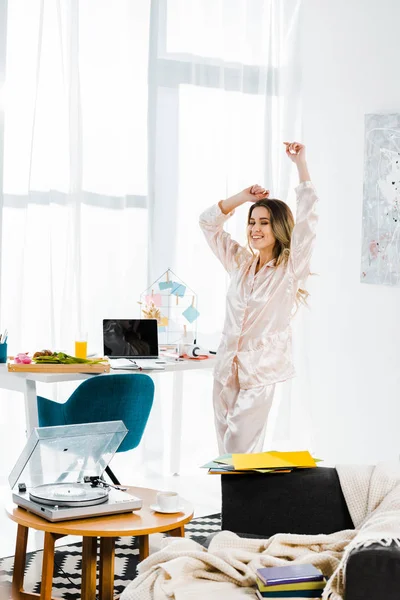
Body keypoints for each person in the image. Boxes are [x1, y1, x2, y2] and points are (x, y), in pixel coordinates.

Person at [199, 142, 318, 454]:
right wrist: (243, 198)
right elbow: (208, 223)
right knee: (226, 455)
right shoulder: (240, 263)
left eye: (264, 222)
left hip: (258, 374)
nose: (255, 228)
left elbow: (307, 223)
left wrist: (300, 165)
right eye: (252, 222)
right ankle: (235, 505)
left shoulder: (290, 269)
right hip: (225, 370)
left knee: (241, 451)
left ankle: (248, 504)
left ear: (278, 227)